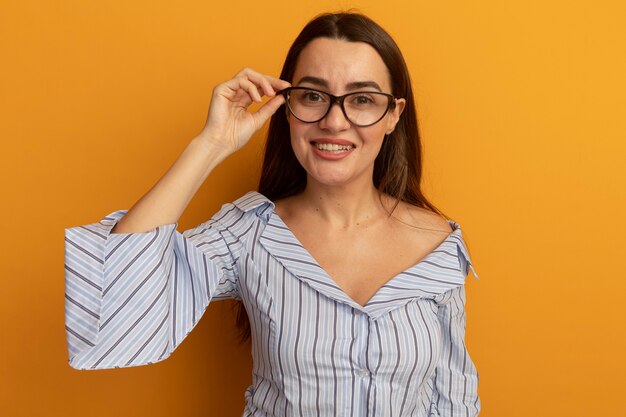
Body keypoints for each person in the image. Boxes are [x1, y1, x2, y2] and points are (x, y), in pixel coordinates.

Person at [64, 12, 480, 417]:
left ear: (393, 115)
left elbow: (453, 399)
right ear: (287, 105)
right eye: (313, 95)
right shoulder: (248, 232)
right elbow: (114, 307)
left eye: (363, 99)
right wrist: (211, 145)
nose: (334, 121)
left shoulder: (438, 244)